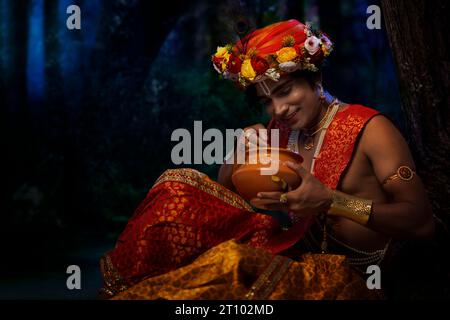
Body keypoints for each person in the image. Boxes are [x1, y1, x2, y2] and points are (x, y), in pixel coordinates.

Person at [99, 19, 434, 300]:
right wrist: (238, 153)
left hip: (360, 278)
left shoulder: (371, 129)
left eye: (286, 91)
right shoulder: (277, 132)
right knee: (176, 190)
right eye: (266, 101)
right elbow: (223, 201)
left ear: (316, 79)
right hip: (298, 259)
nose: (279, 110)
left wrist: (332, 201)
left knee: (227, 265)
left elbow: (421, 223)